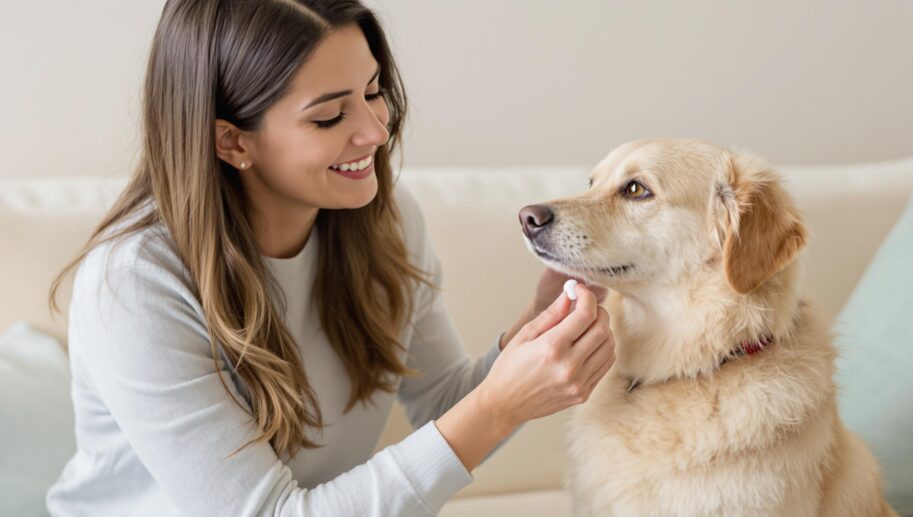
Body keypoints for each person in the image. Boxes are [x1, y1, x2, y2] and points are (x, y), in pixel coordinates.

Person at [45, 1, 615, 515]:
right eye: (329, 117)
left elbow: (443, 403)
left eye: (372, 92)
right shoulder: (135, 284)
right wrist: (497, 408)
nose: (374, 131)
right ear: (232, 142)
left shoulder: (384, 219)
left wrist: (537, 330)